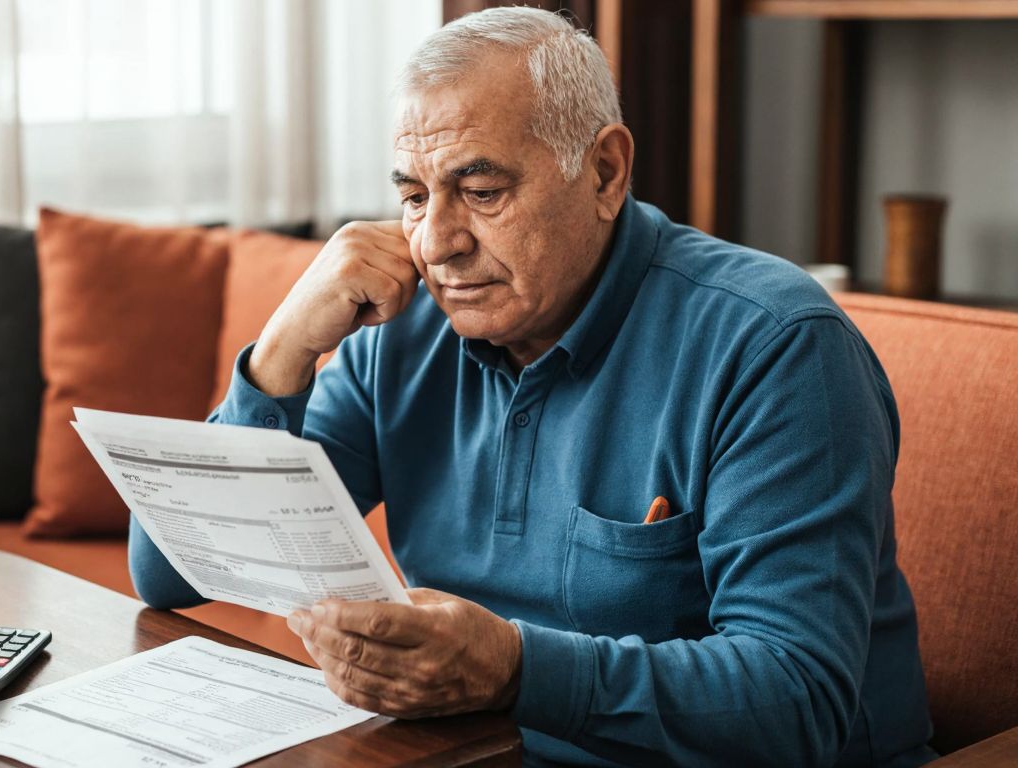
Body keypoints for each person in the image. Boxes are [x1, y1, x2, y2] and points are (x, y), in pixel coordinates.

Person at [130, 7, 935, 766]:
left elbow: (800, 703)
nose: (438, 243)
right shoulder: (407, 326)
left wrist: (514, 669)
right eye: (413, 195)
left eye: (482, 193)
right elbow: (168, 572)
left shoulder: (775, 347)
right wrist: (282, 351)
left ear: (605, 171)